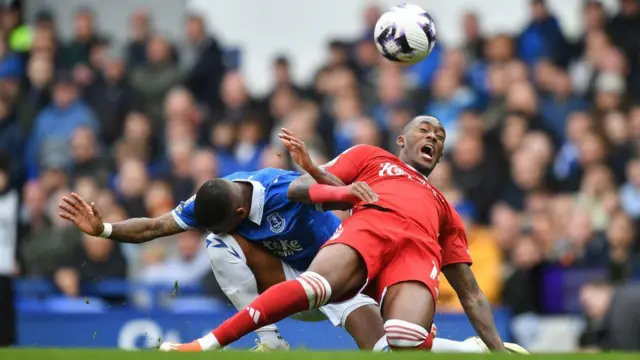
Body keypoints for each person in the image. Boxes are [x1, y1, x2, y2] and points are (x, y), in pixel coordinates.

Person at [160, 117, 512, 352]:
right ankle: (208, 345)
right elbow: (302, 189)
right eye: (425, 129)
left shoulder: (445, 209)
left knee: (403, 339)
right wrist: (314, 169)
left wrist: (497, 349)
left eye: (440, 136)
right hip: (365, 235)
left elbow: (472, 292)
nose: (433, 135)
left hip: (414, 257)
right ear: (402, 139)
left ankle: (471, 350)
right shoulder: (371, 157)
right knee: (312, 284)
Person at [57, 168, 383, 351]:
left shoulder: (282, 190)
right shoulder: (209, 201)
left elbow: (324, 188)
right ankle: (271, 343)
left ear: (240, 212)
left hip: (341, 282)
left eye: (222, 222)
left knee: (389, 349)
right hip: (289, 289)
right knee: (217, 243)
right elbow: (154, 226)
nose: (209, 229)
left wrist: (343, 185)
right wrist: (104, 230)